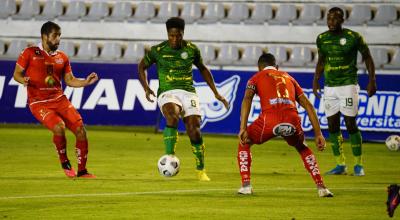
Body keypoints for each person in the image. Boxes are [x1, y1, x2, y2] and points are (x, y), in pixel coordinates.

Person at [138, 17, 229, 181]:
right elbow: (141, 66)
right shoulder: (157, 50)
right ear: (167, 34)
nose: (174, 39)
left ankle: (201, 170)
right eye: (171, 36)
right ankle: (170, 155)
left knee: (194, 130)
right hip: (167, 91)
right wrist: (146, 87)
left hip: (188, 92)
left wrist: (216, 92)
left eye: (178, 35)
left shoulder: (192, 49)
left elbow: (203, 68)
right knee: (172, 115)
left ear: (182, 34)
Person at [237, 53, 333, 197]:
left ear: (259, 68)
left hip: (269, 120)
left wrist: (243, 128)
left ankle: (246, 185)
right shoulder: (289, 78)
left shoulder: (255, 78)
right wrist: (318, 133)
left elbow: (247, 99)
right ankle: (322, 188)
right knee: (302, 147)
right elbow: (308, 105)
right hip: (292, 119)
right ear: (276, 67)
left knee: (244, 142)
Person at [13, 21, 98, 178]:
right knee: (59, 127)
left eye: (59, 36)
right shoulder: (29, 53)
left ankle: (82, 171)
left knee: (80, 130)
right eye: (54, 36)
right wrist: (22, 80)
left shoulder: (62, 57)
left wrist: (85, 82)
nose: (58, 39)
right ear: (44, 36)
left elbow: (70, 80)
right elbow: (16, 74)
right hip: (38, 103)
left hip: (59, 100)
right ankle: (64, 161)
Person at [313, 7, 377, 176]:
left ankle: (358, 165)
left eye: (334, 19)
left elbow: (368, 57)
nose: (330, 22)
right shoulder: (322, 39)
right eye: (328, 18)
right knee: (332, 125)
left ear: (342, 20)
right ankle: (340, 164)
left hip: (348, 85)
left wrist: (372, 80)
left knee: (350, 123)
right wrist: (315, 80)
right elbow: (321, 60)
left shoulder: (353, 37)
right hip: (330, 87)